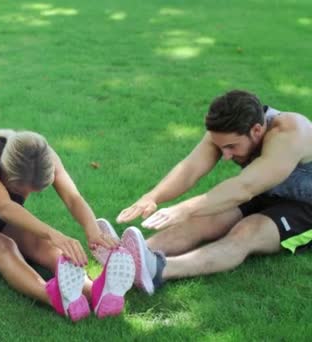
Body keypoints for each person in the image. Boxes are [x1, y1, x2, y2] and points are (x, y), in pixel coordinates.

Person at [106, 89, 312, 295]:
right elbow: (190, 169)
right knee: (202, 218)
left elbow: (244, 188)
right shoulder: (226, 131)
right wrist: (152, 197)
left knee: (247, 231)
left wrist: (184, 208)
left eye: (231, 147)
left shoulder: (290, 132)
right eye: (221, 147)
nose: (225, 156)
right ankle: (127, 257)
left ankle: (159, 269)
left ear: (257, 130)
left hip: (305, 206)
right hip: (265, 189)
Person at [0, 129, 136, 321]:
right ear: (4, 170)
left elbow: (73, 198)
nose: (25, 195)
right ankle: (53, 296)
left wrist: (92, 230)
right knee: (3, 246)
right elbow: (5, 207)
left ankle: (96, 292)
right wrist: (52, 233)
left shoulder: (43, 156)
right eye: (19, 189)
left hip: (0, 223)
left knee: (43, 246)